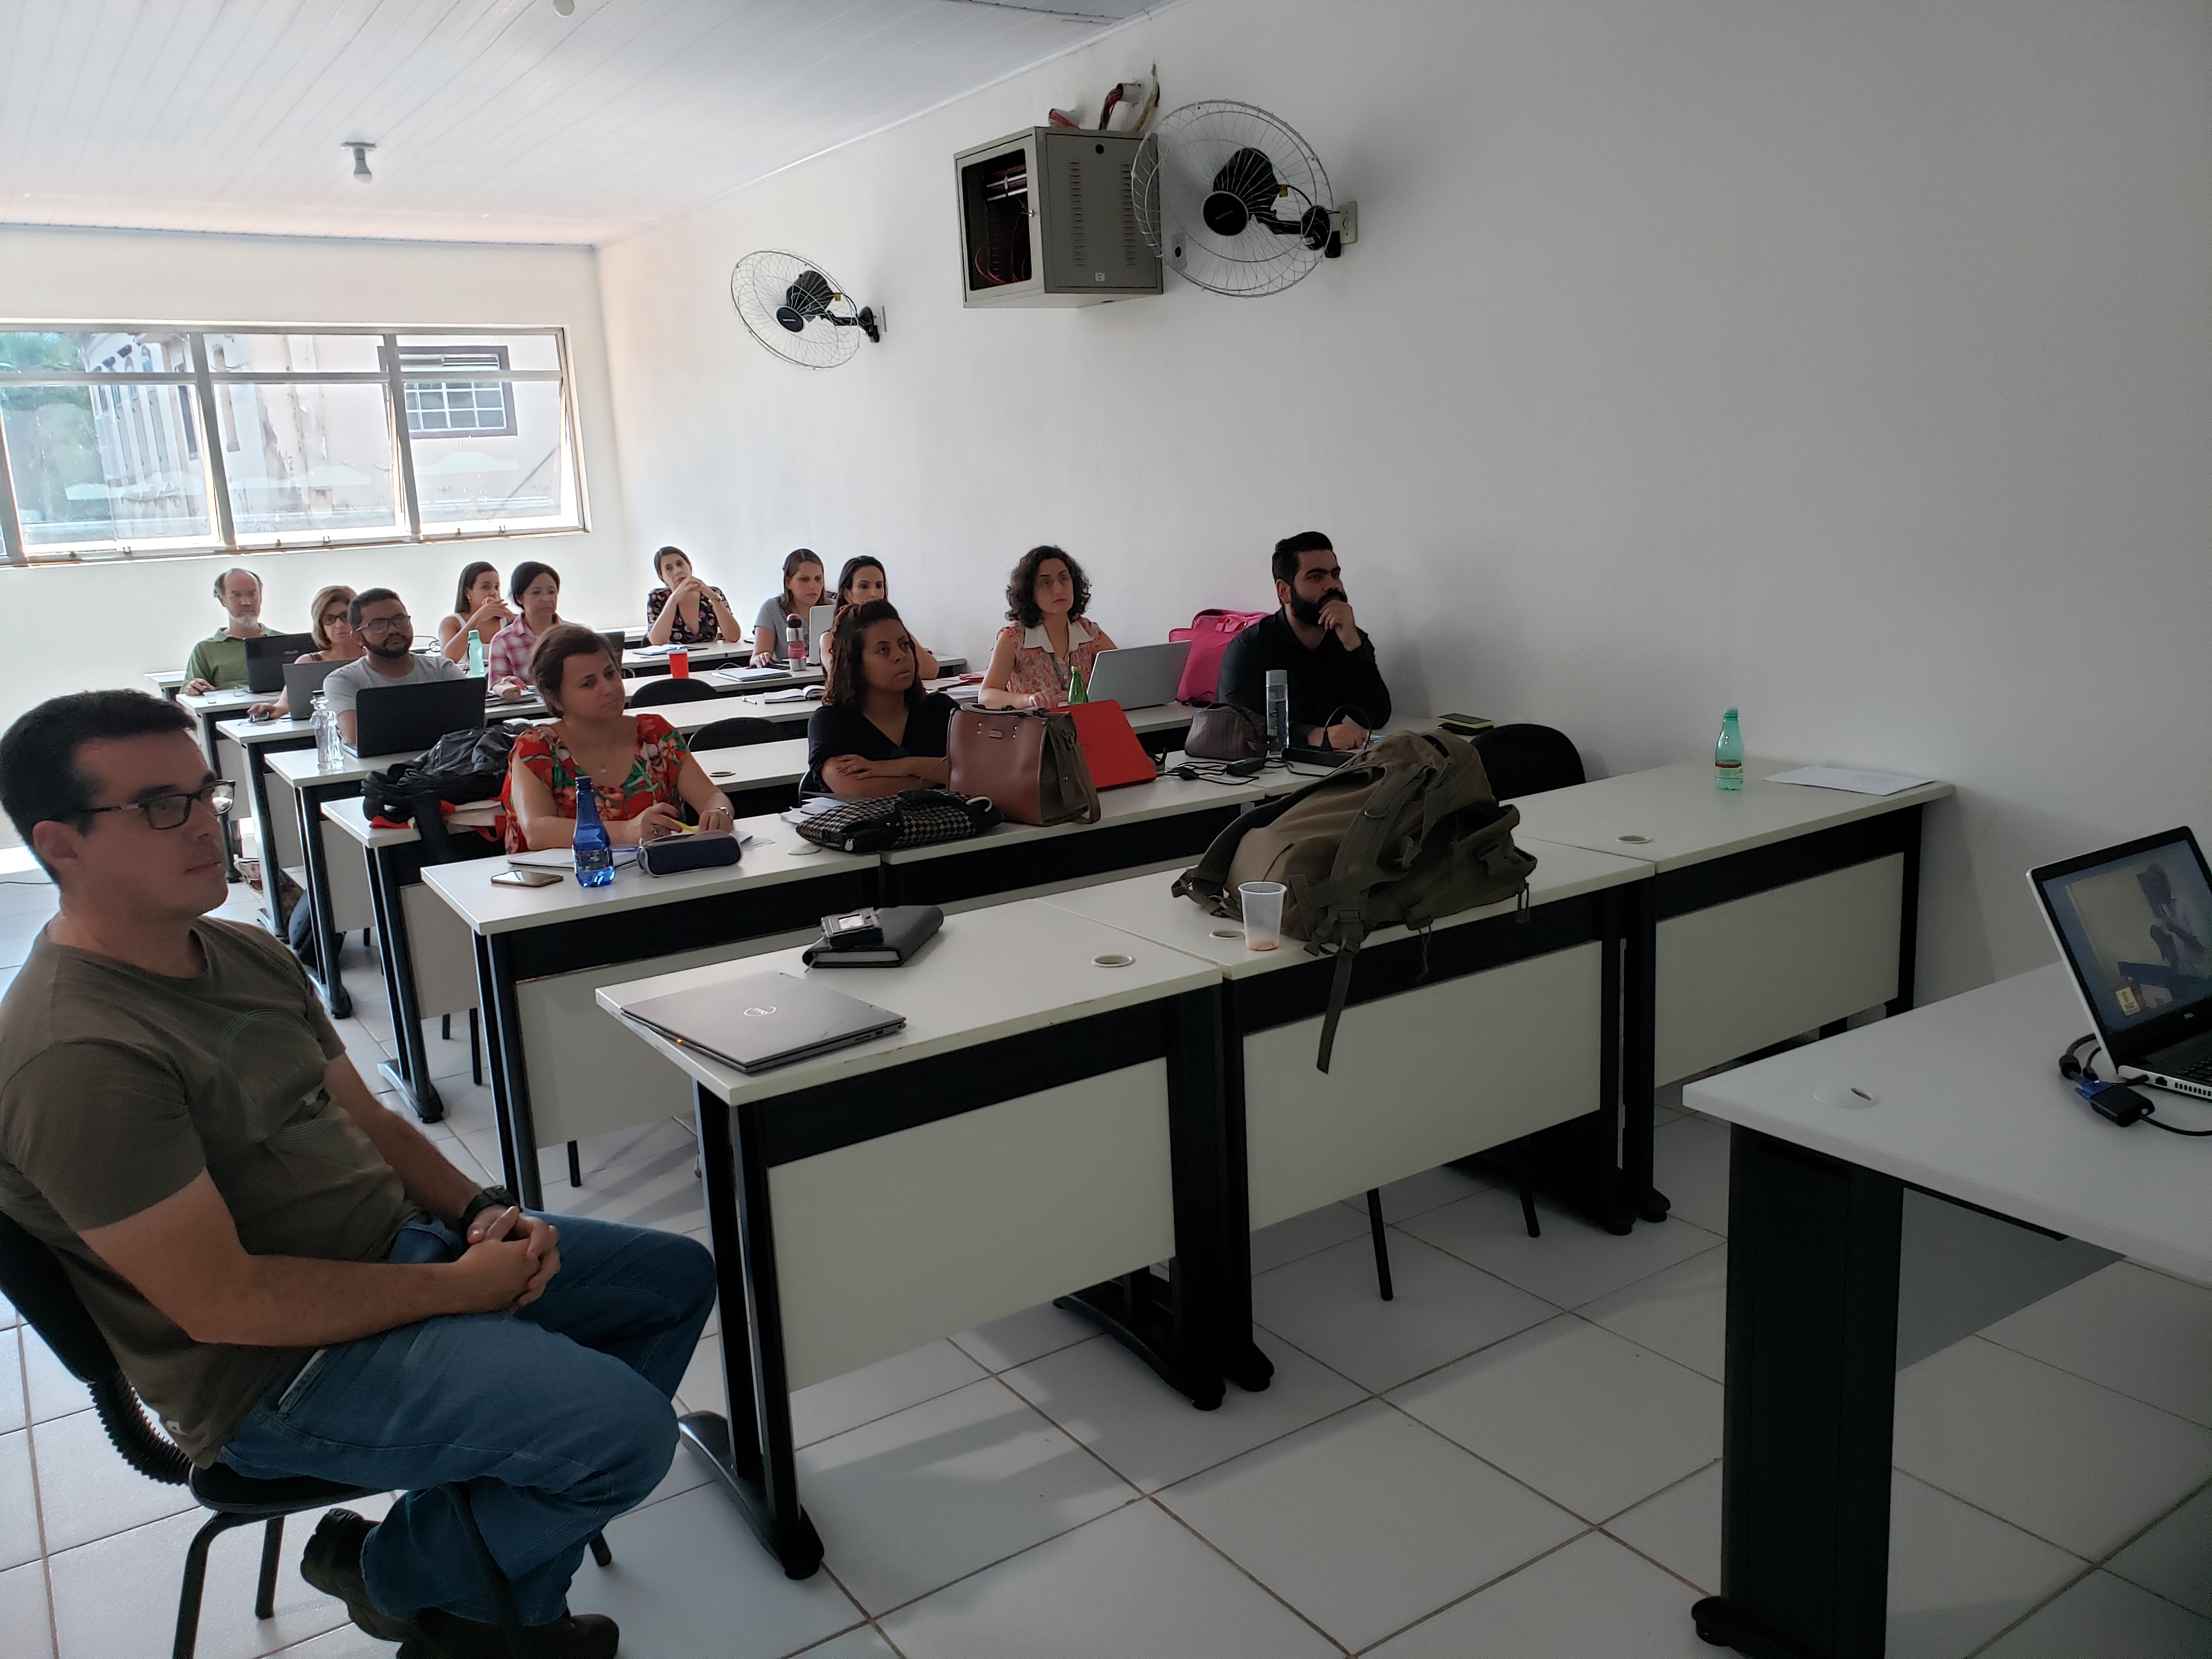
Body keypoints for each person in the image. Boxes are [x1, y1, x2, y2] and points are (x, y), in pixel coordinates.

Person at [0, 690, 714, 1659]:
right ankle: (392, 1575)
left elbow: (369, 1119)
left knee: (673, 1280)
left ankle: (475, 1606)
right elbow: (225, 1303)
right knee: (625, 1435)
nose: (206, 821)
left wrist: (483, 1212)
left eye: (205, 793)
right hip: (276, 1374)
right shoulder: (76, 1055)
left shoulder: (242, 948)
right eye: (161, 806)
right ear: (61, 843)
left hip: (395, 1254)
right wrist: (459, 1289)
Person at [504, 626, 735, 851]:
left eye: (610, 674)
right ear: (555, 698)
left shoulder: (655, 734)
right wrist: (624, 831)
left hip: (658, 870)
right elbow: (537, 831)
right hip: (572, 876)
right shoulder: (537, 748)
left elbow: (711, 797)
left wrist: (718, 812)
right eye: (588, 683)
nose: (609, 688)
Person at [1218, 531, 1392, 752]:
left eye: (1335, 574)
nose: (1333, 585)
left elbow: (1377, 716)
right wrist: (1312, 735)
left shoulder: (1349, 638)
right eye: (1317, 577)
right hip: (1268, 767)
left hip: (1331, 763)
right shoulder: (1250, 648)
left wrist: (1353, 646)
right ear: (1284, 591)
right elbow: (1234, 726)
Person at [807, 601, 959, 798]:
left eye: (904, 645)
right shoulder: (832, 722)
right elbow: (857, 790)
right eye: (884, 650)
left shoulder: (940, 709)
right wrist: (942, 774)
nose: (901, 656)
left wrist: (905, 766)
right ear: (856, 664)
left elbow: (983, 769)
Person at [320, 590, 467, 751]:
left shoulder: (443, 669)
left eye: (400, 620)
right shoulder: (342, 681)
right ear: (358, 638)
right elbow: (355, 737)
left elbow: (474, 721)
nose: (393, 630)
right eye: (378, 624)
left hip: (447, 762)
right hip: (377, 766)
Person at [979, 545, 1116, 710]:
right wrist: (1029, 700)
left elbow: (1123, 675)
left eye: (1064, 579)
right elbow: (986, 696)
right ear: (1030, 593)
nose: (1058, 589)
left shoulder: (1089, 631)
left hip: (1085, 721)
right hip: (1036, 724)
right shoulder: (1014, 639)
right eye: (1045, 583)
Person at [247, 586, 362, 720]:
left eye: (345, 617)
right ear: (321, 625)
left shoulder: (375, 658)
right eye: (329, 619)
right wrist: (273, 709)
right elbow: (285, 704)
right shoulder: (307, 662)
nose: (339, 625)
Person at [824, 556, 940, 680]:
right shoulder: (831, 639)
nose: (874, 594)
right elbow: (845, 680)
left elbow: (931, 670)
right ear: (848, 594)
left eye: (879, 586)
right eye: (864, 586)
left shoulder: (896, 631)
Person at [181, 568, 269, 695]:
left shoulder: (285, 643)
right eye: (236, 595)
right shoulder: (205, 650)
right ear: (222, 600)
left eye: (252, 594)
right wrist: (192, 689)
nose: (246, 602)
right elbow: (188, 698)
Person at [486, 561, 563, 699]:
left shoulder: (574, 635)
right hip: (525, 710)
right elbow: (497, 689)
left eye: (551, 592)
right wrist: (508, 686)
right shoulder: (503, 640)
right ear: (519, 598)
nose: (546, 599)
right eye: (536, 593)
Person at [644, 546, 743, 648]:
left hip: (710, 655)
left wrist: (713, 597)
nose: (677, 571)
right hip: (673, 657)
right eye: (669, 568)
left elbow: (733, 637)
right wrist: (673, 600)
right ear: (661, 577)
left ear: (690, 567)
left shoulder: (713, 593)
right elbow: (657, 642)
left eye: (680, 564)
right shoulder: (657, 597)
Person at [751, 549, 827, 665]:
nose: (813, 586)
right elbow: (756, 657)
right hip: (790, 674)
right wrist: (762, 658)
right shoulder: (772, 608)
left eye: (818, 579)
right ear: (788, 582)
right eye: (804, 579)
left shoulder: (836, 607)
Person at [437, 560, 514, 662]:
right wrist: (476, 619)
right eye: (485, 587)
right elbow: (448, 658)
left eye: (496, 587)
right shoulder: (452, 622)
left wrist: (512, 617)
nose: (494, 593)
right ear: (467, 592)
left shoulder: (507, 620)